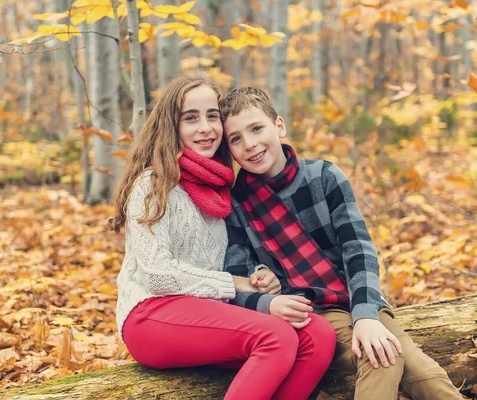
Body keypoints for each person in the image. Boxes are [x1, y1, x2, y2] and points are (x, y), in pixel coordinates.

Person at [221, 87, 462, 400]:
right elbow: (237, 279)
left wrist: (364, 314)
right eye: (236, 139)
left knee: (425, 375)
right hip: (308, 312)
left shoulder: (324, 176)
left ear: (279, 125)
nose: (250, 144)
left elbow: (358, 250)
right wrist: (263, 280)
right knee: (382, 357)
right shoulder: (236, 203)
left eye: (256, 129)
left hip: (356, 295)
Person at [110, 75, 336, 400]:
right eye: (191, 118)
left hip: (210, 311)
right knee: (276, 337)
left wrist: (258, 276)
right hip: (151, 315)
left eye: (212, 116)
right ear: (170, 126)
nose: (205, 128)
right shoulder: (153, 185)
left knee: (318, 334)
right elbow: (157, 274)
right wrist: (237, 283)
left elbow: (231, 258)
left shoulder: (218, 188)